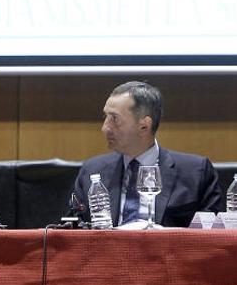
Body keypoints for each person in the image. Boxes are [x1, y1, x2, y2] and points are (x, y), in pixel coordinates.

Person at [69, 81, 223, 227]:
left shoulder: (196, 172)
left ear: (144, 125)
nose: (105, 128)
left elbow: (211, 238)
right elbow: (72, 230)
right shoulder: (92, 171)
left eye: (114, 119)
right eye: (105, 117)